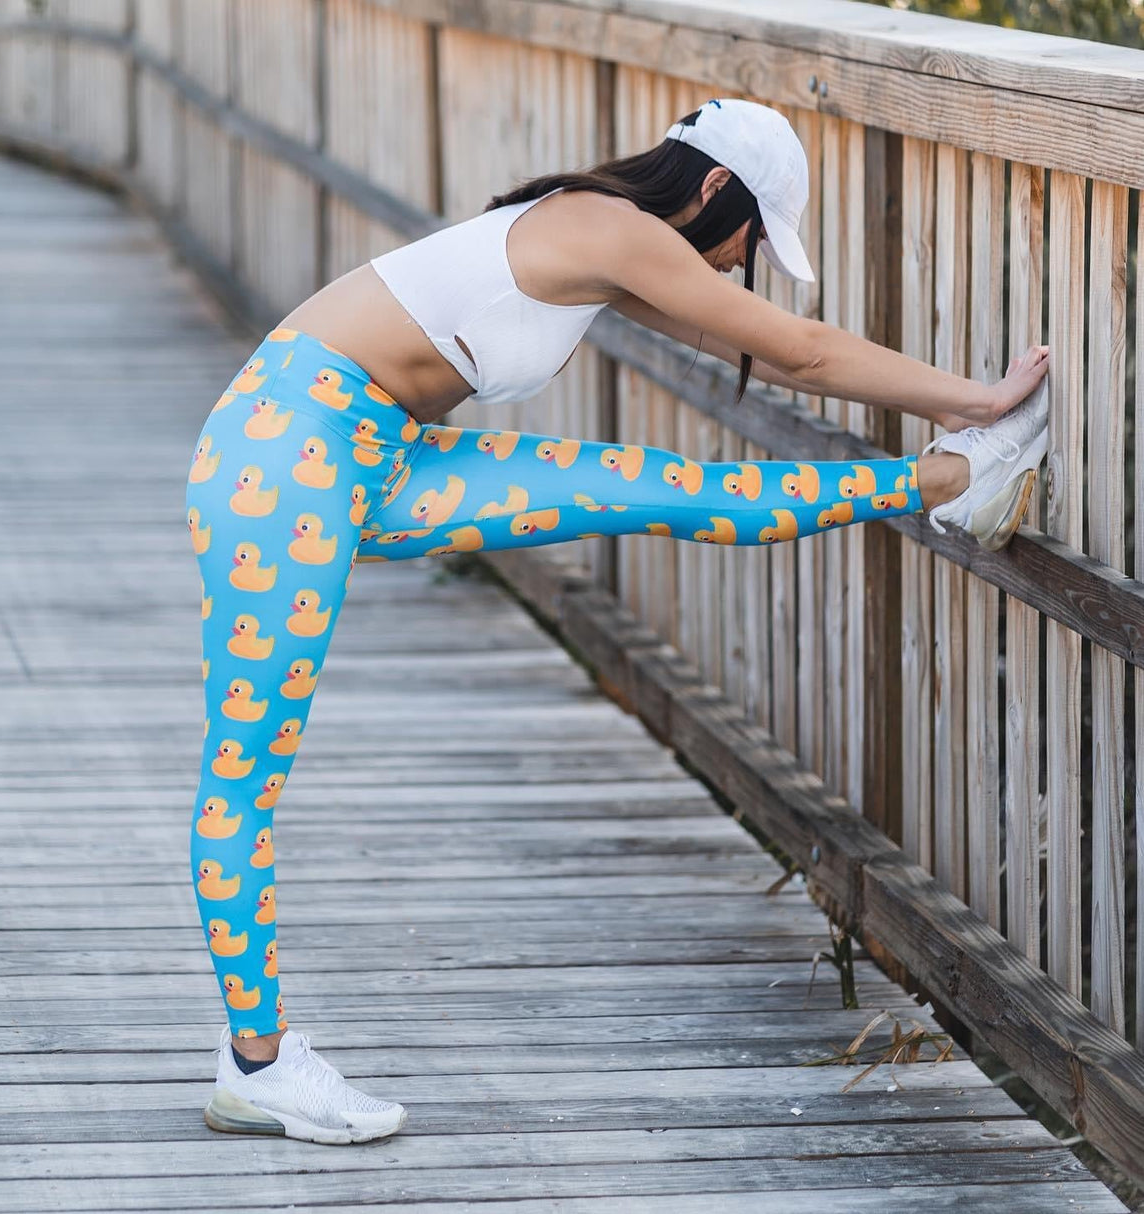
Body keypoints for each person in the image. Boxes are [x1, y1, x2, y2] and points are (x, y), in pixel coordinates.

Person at [187, 97, 1050, 1146]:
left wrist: (960, 415)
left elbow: (774, 352)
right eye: (748, 239)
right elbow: (805, 350)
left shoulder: (606, 239)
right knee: (244, 777)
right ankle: (257, 1061)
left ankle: (947, 480)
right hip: (285, 451)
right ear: (712, 190)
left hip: (379, 455)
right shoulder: (605, 227)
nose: (740, 265)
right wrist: (977, 393)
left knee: (683, 493)